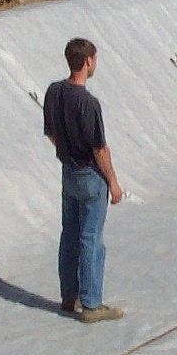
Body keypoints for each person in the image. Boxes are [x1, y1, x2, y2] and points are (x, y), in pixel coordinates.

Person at [43, 37, 125, 323]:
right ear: (88, 61)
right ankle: (91, 304)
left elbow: (51, 133)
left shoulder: (54, 92)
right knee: (91, 239)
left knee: (70, 234)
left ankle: (70, 296)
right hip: (91, 176)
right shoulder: (88, 103)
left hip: (68, 173)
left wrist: (66, 152)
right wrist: (113, 182)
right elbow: (99, 149)